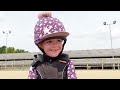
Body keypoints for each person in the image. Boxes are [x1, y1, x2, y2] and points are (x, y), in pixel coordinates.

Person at [28, 11, 77, 79]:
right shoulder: (35, 66)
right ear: (40, 45)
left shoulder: (68, 63)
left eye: (59, 40)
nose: (55, 45)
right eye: (49, 41)